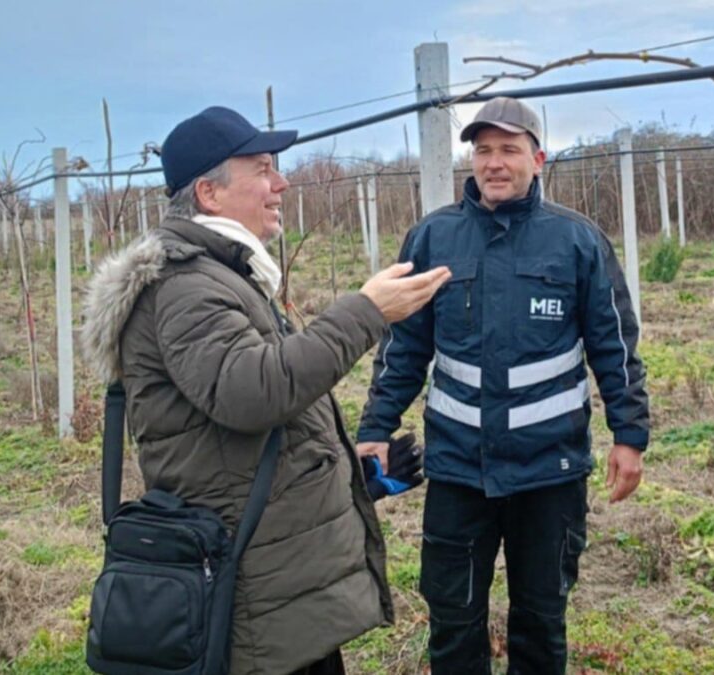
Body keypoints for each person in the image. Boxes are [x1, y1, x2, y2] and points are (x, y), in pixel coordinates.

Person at [80, 106, 450, 675]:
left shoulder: (222, 274)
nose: (281, 183)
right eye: (261, 169)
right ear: (208, 192)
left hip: (275, 578)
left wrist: (352, 478)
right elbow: (255, 392)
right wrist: (366, 311)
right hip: (253, 593)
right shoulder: (186, 287)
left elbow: (241, 441)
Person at [356, 97, 649, 674]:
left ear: (537, 158)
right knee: (452, 617)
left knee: (540, 620)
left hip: (549, 472)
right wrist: (374, 428)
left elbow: (614, 343)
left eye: (509, 150)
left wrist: (629, 433)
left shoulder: (576, 241)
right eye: (483, 149)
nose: (494, 162)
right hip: (459, 470)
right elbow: (404, 348)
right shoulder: (433, 239)